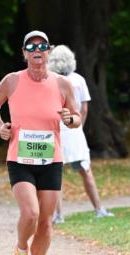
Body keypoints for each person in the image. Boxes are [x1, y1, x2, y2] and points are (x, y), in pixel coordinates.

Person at [0, 29, 82, 255]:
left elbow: (76, 118)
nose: (37, 50)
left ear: (49, 51)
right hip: (20, 158)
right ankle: (21, 249)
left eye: (42, 46)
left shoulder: (62, 84)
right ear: (24, 53)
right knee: (31, 213)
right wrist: (1, 127)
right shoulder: (12, 80)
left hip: (51, 159)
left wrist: (70, 119)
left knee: (46, 222)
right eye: (31, 46)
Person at [47, 44, 113, 223]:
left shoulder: (50, 81)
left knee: (56, 174)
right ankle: (99, 209)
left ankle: (58, 215)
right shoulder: (79, 80)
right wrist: (79, 127)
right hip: (74, 131)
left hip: (56, 130)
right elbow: (84, 109)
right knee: (85, 170)